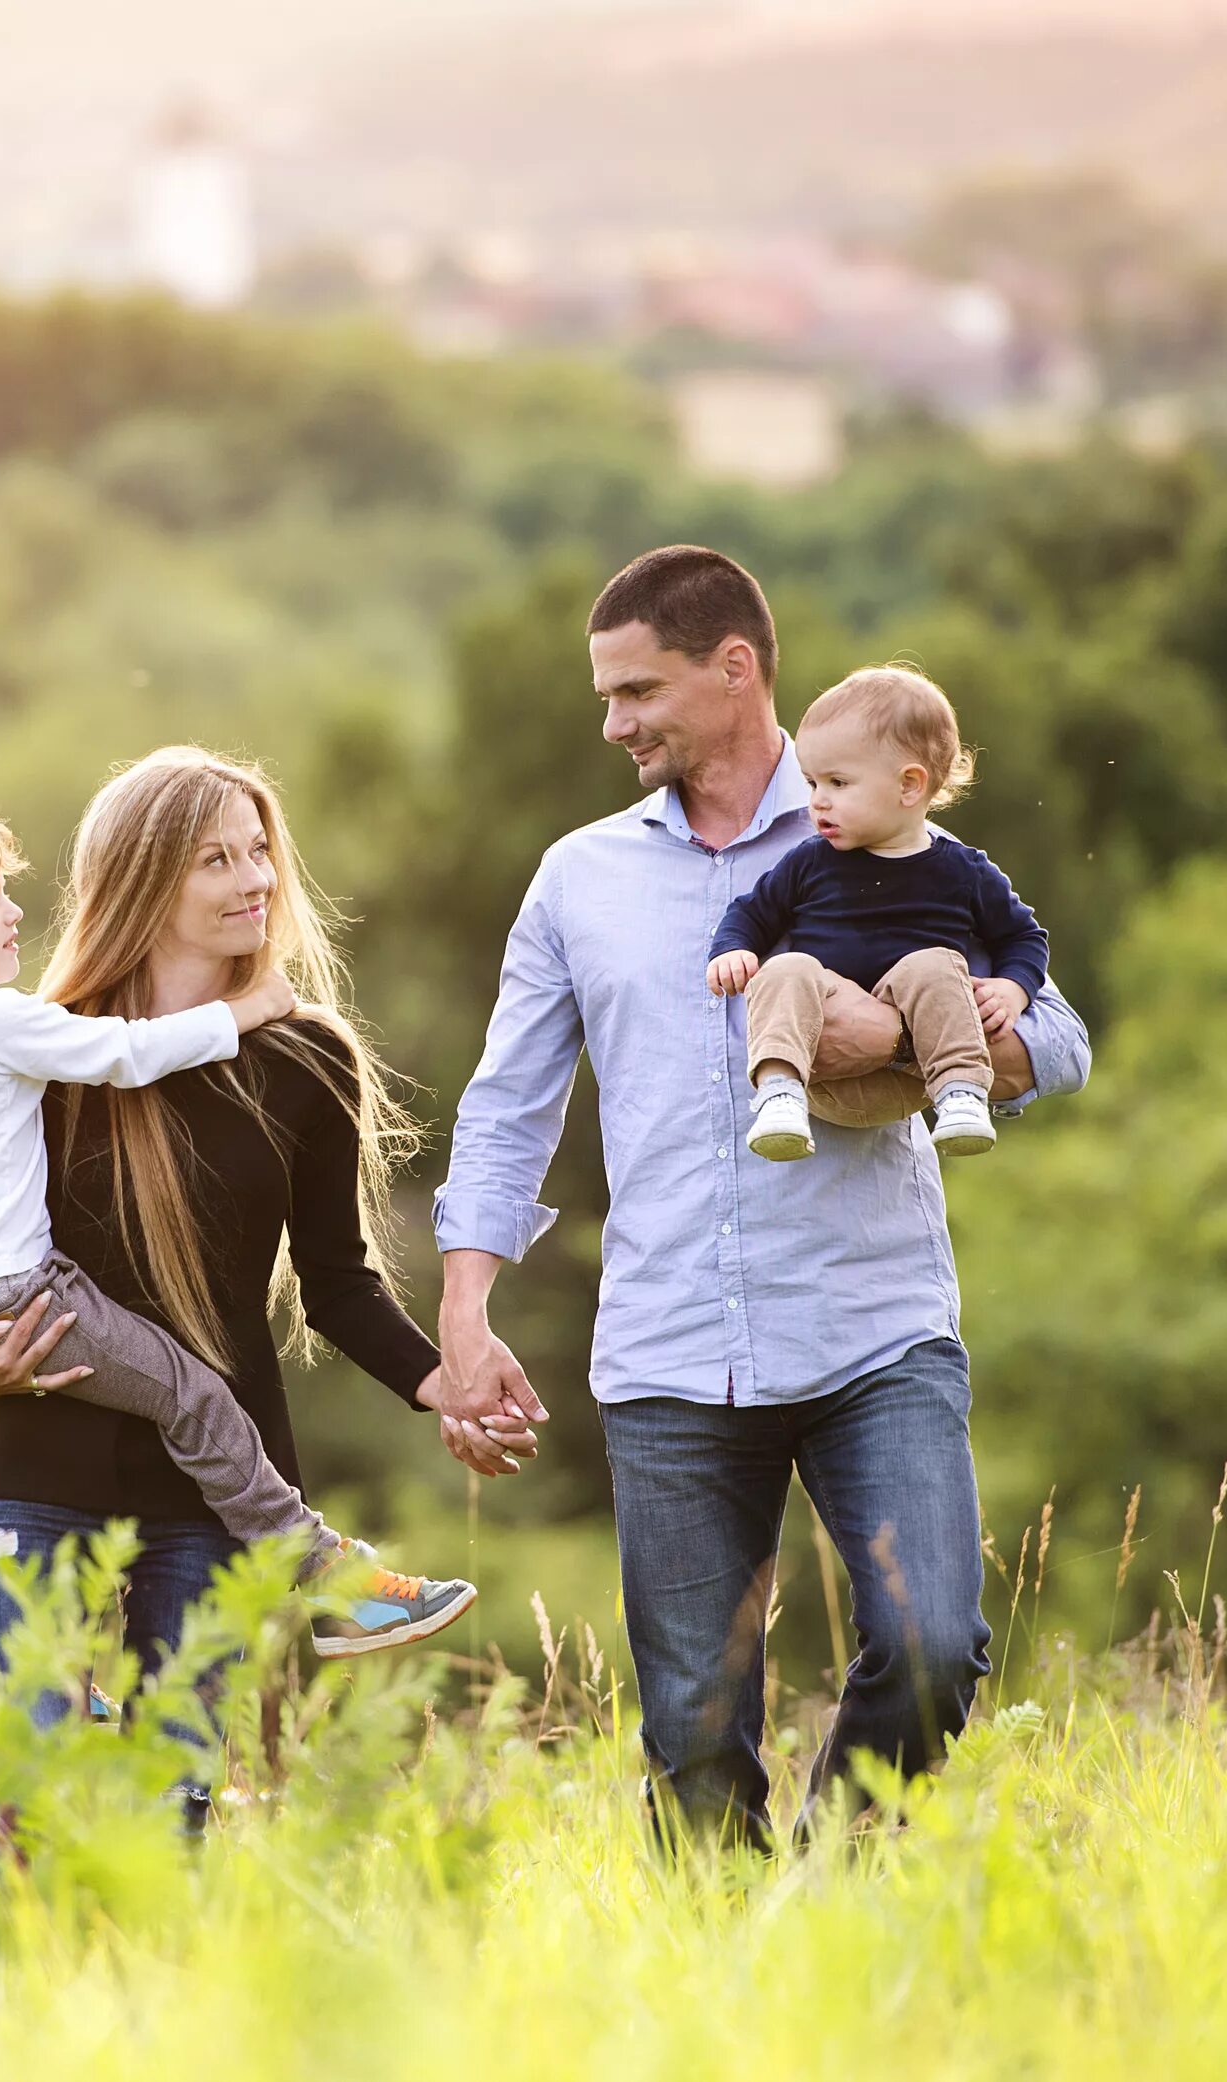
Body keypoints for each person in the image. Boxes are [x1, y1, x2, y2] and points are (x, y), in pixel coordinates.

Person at [428, 547, 1093, 1849]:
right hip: (669, 1349)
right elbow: (509, 1102)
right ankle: (731, 2001)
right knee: (691, 1729)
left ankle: (827, 1897)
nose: (612, 721)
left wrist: (908, 1048)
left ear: (736, 669)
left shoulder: (902, 836)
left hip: (873, 1330)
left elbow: (1060, 1037)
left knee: (930, 1644)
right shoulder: (579, 877)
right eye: (605, 695)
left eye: (636, 690)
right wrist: (465, 1310)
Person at [0, 778, 474, 1659]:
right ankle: (320, 1570)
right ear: (147, 880)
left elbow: (338, 1282)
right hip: (40, 1472)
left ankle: (321, 1574)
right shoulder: (49, 1044)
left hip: (208, 1497)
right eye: (217, 858)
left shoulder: (305, 1059)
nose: (257, 879)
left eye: (258, 850)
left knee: (178, 1791)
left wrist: (443, 1382)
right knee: (35, 1779)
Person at [704, 665, 1052, 1162]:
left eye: (838, 783)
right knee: (787, 968)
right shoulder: (810, 860)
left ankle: (962, 1095)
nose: (817, 801)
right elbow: (751, 912)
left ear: (910, 786)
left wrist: (1014, 988)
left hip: (918, 1081)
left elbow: (1023, 937)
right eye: (811, 782)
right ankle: (778, 1093)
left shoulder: (963, 870)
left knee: (934, 964)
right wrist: (732, 949)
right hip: (821, 1070)